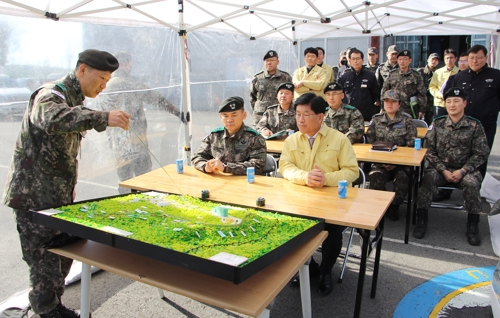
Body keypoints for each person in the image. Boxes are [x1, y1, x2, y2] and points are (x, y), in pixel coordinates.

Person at [1, 49, 131, 318]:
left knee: (61, 257)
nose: (104, 85)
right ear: (82, 70)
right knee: (43, 262)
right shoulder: (51, 94)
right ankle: (47, 311)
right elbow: (51, 119)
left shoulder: (74, 99)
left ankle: (54, 306)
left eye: (108, 81)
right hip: (33, 198)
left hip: (55, 196)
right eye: (101, 78)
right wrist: (103, 117)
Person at [280, 92, 358, 296]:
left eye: (306, 114)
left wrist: (326, 179)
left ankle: (325, 271)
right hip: (300, 200)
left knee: (332, 231)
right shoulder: (292, 140)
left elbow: (352, 171)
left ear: (321, 116)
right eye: (297, 114)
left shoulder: (339, 139)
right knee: (284, 224)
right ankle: (310, 265)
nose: (301, 119)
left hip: (332, 202)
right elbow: (285, 167)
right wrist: (305, 177)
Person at [98, 52, 184, 193]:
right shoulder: (130, 83)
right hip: (136, 142)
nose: (131, 66)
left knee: (124, 181)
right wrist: (177, 112)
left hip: (118, 145)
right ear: (124, 65)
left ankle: (125, 208)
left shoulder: (106, 86)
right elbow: (156, 99)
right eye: (129, 63)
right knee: (144, 180)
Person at [413, 88, 489, 245]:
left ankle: (473, 224)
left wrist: (463, 171)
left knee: (472, 184)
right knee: (427, 180)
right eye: (449, 102)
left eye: (456, 101)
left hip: (466, 170)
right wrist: (443, 170)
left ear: (465, 103)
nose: (452, 105)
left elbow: (481, 153)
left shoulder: (474, 126)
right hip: (440, 169)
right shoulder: (438, 123)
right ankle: (421, 218)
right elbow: (429, 150)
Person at [445, 44, 500, 178]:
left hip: (485, 124)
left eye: (478, 58)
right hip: (461, 125)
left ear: (486, 58)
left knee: (480, 156)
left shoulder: (496, 75)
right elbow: (447, 96)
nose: (474, 61)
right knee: (455, 155)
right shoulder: (459, 77)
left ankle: (476, 188)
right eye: (471, 58)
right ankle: (448, 188)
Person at [366, 90, 417, 221]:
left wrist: (395, 162)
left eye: (393, 101)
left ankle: (395, 206)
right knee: (374, 177)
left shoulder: (407, 120)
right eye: (387, 101)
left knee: (404, 179)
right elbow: (369, 144)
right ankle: (384, 205)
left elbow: (411, 146)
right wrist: (382, 161)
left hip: (401, 164)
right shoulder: (376, 119)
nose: (389, 104)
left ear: (399, 104)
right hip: (380, 162)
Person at [191, 96, 267, 175]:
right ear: (221, 117)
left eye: (234, 115)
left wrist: (225, 167)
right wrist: (205, 166)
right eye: (225, 116)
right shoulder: (215, 135)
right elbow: (197, 157)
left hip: (244, 183)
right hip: (218, 180)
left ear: (244, 115)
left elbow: (257, 167)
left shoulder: (254, 138)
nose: (229, 119)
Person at [250, 50, 292, 127]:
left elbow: (290, 96)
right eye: (267, 60)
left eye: (272, 60)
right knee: (258, 137)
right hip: (260, 115)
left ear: (278, 62)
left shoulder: (285, 77)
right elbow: (252, 97)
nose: (269, 62)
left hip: (278, 116)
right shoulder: (257, 78)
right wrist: (258, 109)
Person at [381, 50, 427, 119]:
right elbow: (384, 91)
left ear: (410, 60)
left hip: (409, 110)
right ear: (397, 60)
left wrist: (422, 109)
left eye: (405, 59)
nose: (402, 61)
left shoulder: (416, 75)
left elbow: (421, 93)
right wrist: (383, 107)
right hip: (393, 109)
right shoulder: (392, 74)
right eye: (400, 59)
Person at [338, 48, 381, 121]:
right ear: (349, 60)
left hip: (365, 114)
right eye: (353, 59)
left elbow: (375, 93)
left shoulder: (370, 75)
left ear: (362, 60)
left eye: (358, 58)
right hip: (348, 114)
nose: (355, 61)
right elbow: (339, 93)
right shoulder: (344, 76)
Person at [428, 49, 459, 118]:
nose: (449, 60)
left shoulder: (459, 72)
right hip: (440, 104)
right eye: (447, 58)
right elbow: (432, 87)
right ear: (444, 59)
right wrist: (440, 95)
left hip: (454, 105)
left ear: (456, 59)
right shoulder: (438, 72)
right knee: (439, 126)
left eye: (451, 58)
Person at [417, 52, 441, 126]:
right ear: (428, 60)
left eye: (436, 60)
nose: (434, 61)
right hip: (420, 102)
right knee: (417, 124)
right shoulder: (420, 71)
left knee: (429, 124)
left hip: (431, 103)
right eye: (432, 59)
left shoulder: (438, 73)